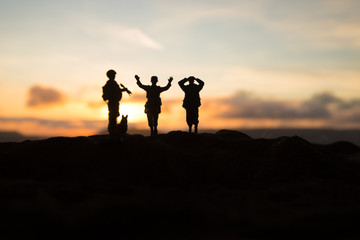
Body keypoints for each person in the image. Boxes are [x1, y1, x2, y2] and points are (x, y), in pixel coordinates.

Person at [102, 69, 132, 136]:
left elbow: (117, 90)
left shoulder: (113, 83)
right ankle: (112, 130)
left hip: (115, 102)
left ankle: (113, 130)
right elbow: (114, 91)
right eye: (113, 75)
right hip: (113, 102)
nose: (115, 76)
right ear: (111, 75)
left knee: (115, 115)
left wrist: (124, 90)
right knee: (113, 115)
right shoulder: (110, 83)